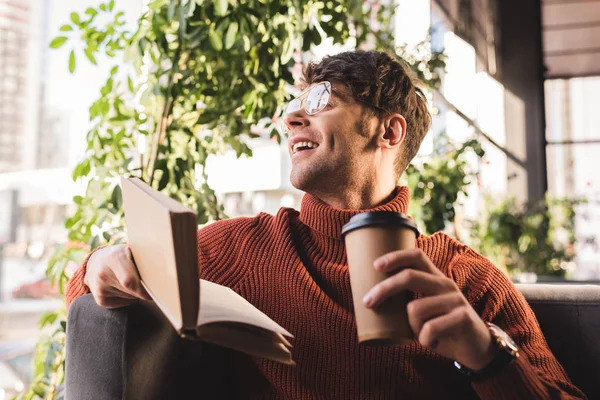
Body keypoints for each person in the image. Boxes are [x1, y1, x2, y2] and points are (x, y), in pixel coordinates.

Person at [66, 50, 586, 399]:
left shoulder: (463, 277)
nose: (291, 119)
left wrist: (486, 355)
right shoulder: (242, 246)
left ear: (388, 130)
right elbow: (83, 295)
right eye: (292, 108)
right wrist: (102, 263)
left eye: (319, 103)